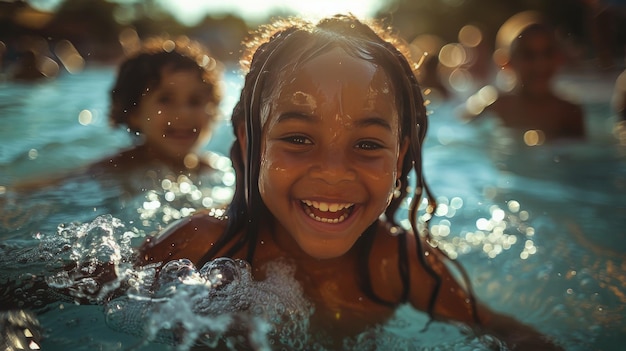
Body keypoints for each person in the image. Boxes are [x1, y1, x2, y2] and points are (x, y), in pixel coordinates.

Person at [137, 15, 564, 350]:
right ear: (250, 144)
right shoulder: (201, 247)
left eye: (366, 144)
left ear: (400, 158)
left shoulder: (396, 264)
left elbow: (502, 332)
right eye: (299, 139)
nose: (334, 170)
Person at [13, 35, 226, 196]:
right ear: (133, 113)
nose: (184, 114)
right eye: (166, 99)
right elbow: (49, 187)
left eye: (195, 101)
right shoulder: (114, 169)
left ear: (213, 110)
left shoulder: (215, 168)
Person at [464, 19, 586, 143]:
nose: (540, 64)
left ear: (559, 58)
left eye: (548, 53)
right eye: (528, 55)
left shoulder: (569, 113)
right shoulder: (495, 105)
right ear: (506, 63)